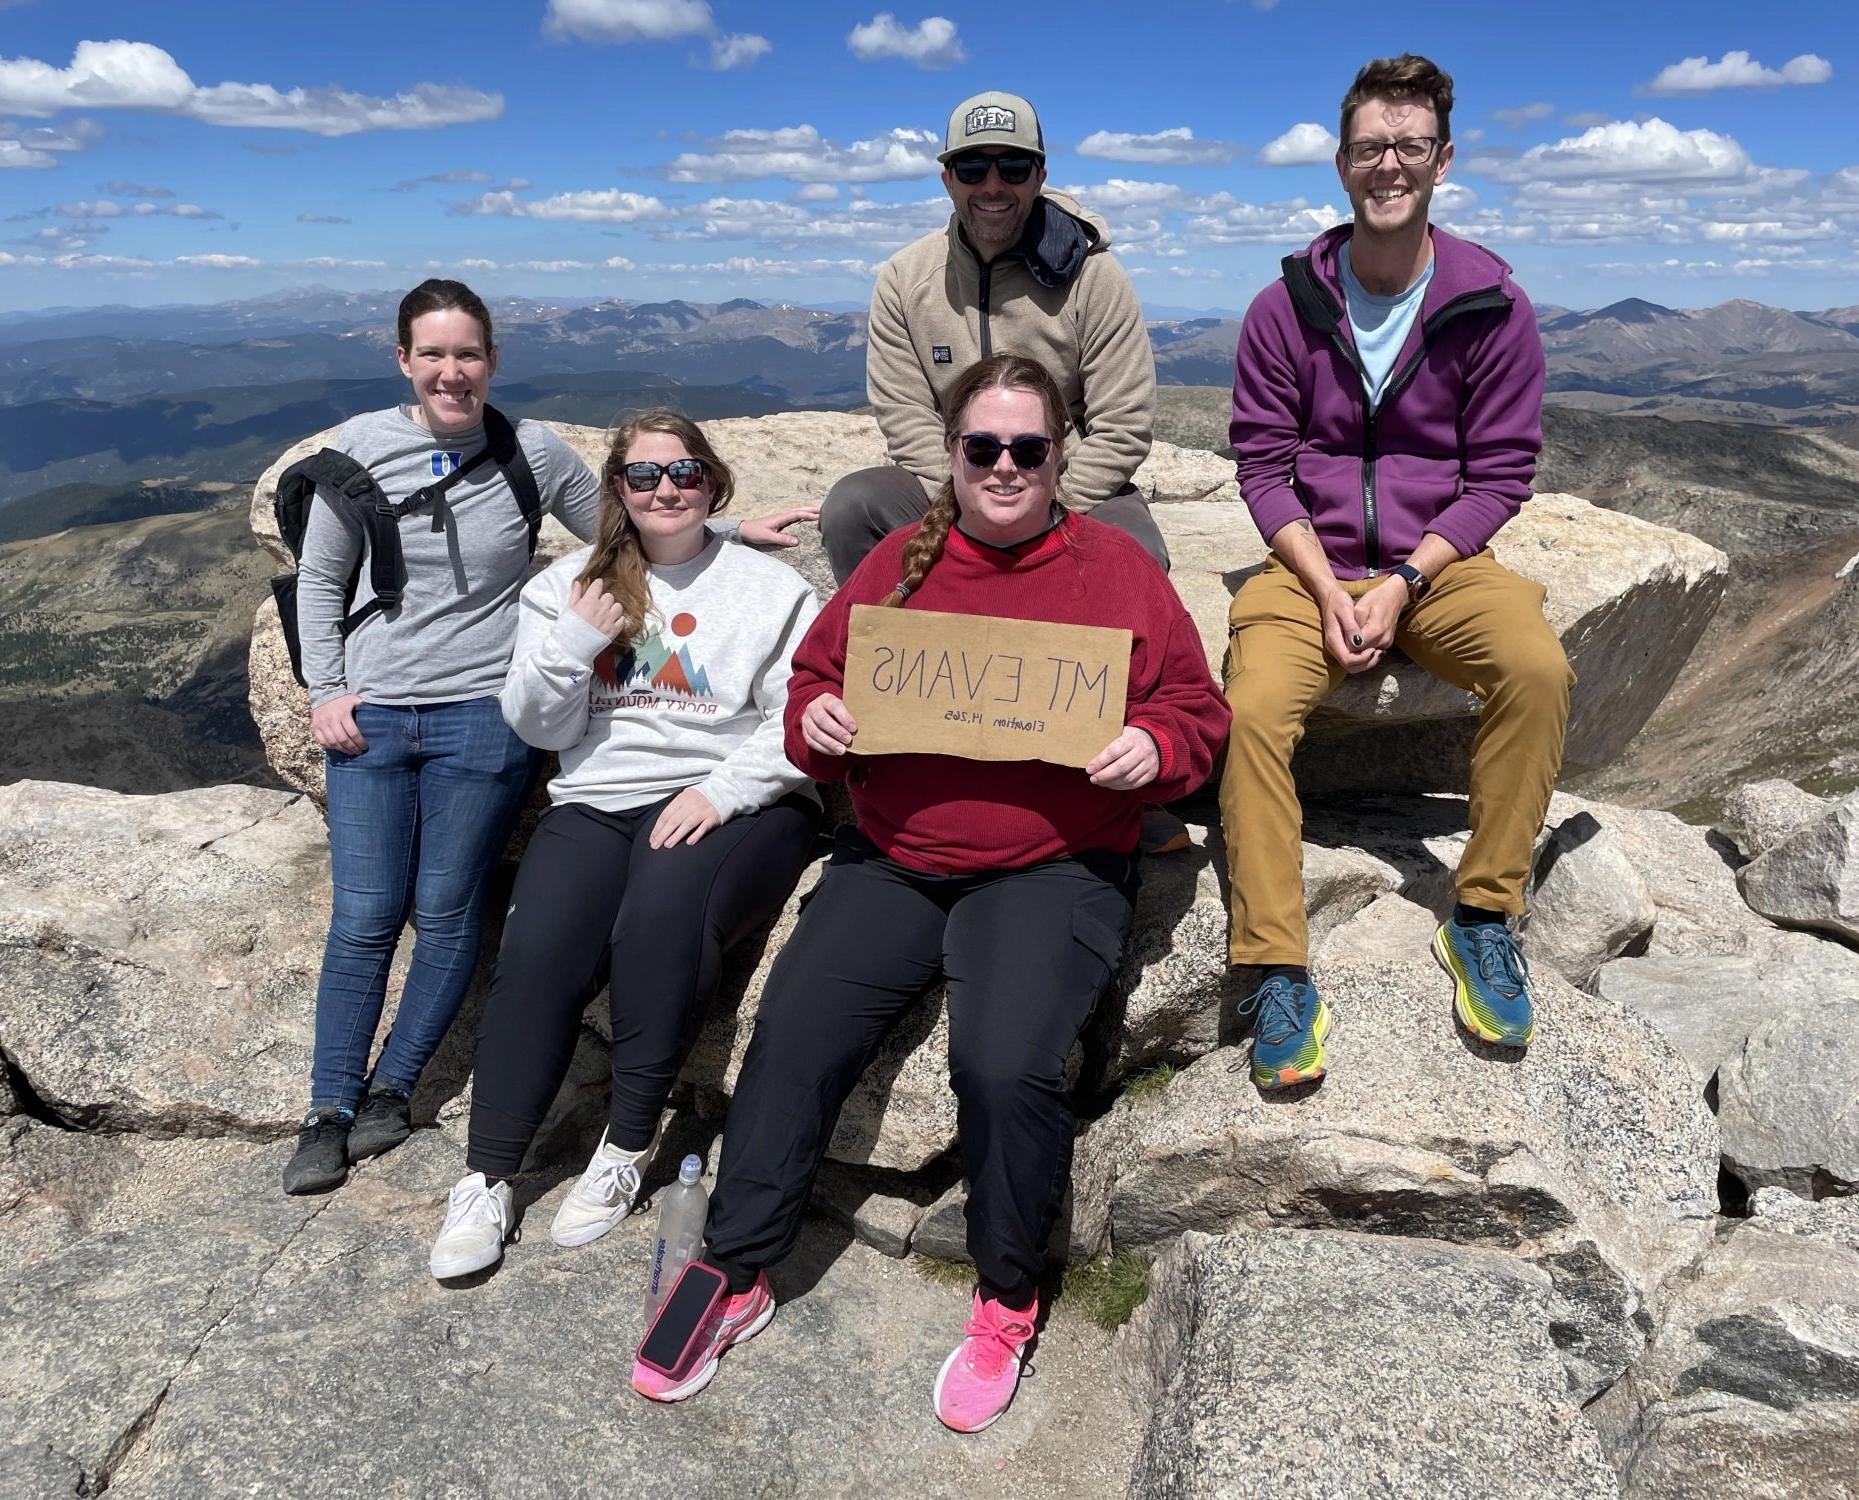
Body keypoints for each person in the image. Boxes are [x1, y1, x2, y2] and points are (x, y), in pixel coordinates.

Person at [632, 354, 1230, 1429]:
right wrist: (813, 726)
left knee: (1003, 1068)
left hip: (1050, 864)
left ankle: (1006, 1296)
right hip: (894, 854)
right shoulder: (903, 563)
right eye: (981, 448)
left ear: (1058, 457)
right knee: (794, 1035)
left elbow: (1195, 712)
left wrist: (1153, 745)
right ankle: (737, 1266)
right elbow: (816, 682)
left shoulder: (1116, 572)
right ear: (949, 458)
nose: (1003, 467)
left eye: (1026, 449)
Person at [283, 281, 813, 1195]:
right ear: (402, 359)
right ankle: (328, 1107)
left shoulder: (527, 450)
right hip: (371, 713)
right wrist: (324, 690)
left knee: (449, 912)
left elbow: (621, 522)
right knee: (365, 916)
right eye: (434, 354)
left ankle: (394, 1091)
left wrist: (727, 529)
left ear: (493, 358)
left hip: (482, 717)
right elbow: (318, 582)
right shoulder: (355, 458)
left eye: (469, 354)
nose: (453, 372)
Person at [1219, 53, 1572, 1088]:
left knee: (1535, 670)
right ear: (1339, 163)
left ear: (1442, 160)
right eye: (1370, 146)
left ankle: (1479, 913)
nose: (1389, 165)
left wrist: (1404, 581)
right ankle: (1275, 962)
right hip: (1307, 565)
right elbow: (1262, 463)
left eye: (1409, 147)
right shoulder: (1284, 305)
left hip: (1438, 562)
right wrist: (1328, 588)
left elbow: (1498, 472)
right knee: (1247, 715)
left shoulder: (1490, 306)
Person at [425, 410, 821, 1278]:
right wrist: (576, 639)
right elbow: (536, 722)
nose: (665, 489)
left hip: (732, 799)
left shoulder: (772, 591)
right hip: (599, 797)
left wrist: (720, 791)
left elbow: (800, 721)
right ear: (618, 491)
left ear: (711, 484)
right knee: (537, 950)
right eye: (643, 477)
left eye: (683, 473)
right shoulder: (569, 586)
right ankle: (489, 1175)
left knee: (661, 918)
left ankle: (626, 1144)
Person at [819, 90, 1167, 585]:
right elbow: (904, 413)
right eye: (973, 169)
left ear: (1040, 176)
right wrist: (970, 500)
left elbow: (1123, 422)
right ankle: (893, 650)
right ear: (947, 180)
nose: (993, 185)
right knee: (854, 507)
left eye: (1014, 168)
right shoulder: (906, 277)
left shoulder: (1094, 277)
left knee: (1137, 553)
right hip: (951, 481)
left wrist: (1036, 502)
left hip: (1066, 483)